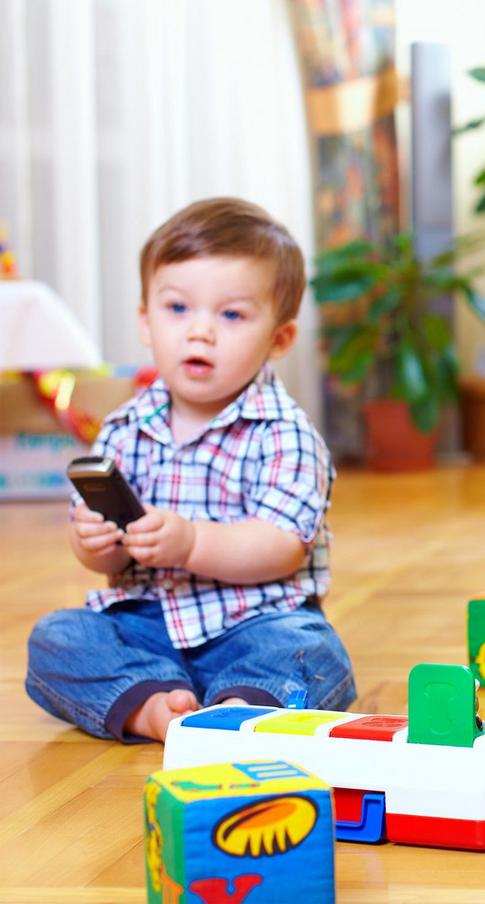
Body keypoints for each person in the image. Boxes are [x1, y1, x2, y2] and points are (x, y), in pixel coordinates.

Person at [26, 197, 356, 743]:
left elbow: (282, 545)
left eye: (231, 315)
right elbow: (106, 558)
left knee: (309, 651)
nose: (200, 332)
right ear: (146, 321)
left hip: (254, 624)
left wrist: (192, 543)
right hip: (145, 625)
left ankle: (240, 710)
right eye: (178, 308)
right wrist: (95, 543)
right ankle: (155, 707)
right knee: (57, 637)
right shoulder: (123, 429)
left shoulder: (285, 433)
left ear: (279, 339)